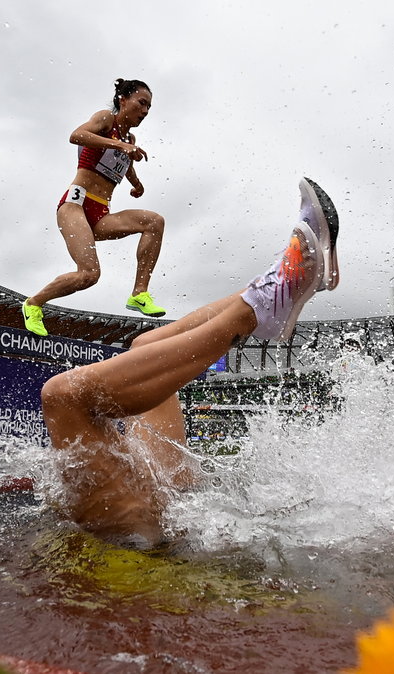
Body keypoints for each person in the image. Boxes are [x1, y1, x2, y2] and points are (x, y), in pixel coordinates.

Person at [40, 178, 340, 547]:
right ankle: (264, 303)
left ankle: (285, 284)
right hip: (135, 540)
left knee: (145, 343)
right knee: (64, 395)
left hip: (165, 508)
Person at [22, 78, 168, 335]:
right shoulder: (106, 120)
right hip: (74, 206)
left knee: (154, 221)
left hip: (101, 214)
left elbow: (125, 164)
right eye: (141, 103)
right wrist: (121, 145)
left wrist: (137, 184)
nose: (145, 111)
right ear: (123, 100)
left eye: (149, 108)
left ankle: (139, 293)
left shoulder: (129, 137)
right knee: (89, 275)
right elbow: (76, 135)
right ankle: (33, 304)